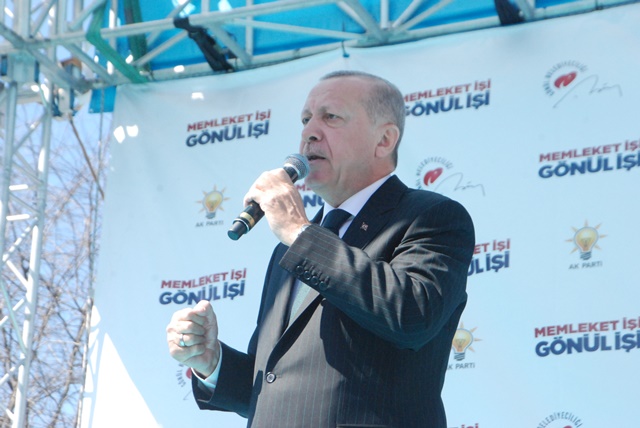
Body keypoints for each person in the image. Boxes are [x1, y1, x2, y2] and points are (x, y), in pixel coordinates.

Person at [166, 70, 475, 428]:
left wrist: (300, 233)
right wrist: (211, 362)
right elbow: (273, 383)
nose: (309, 132)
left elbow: (412, 316)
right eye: (305, 119)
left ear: (384, 140)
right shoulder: (292, 247)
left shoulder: (431, 217)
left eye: (331, 117)